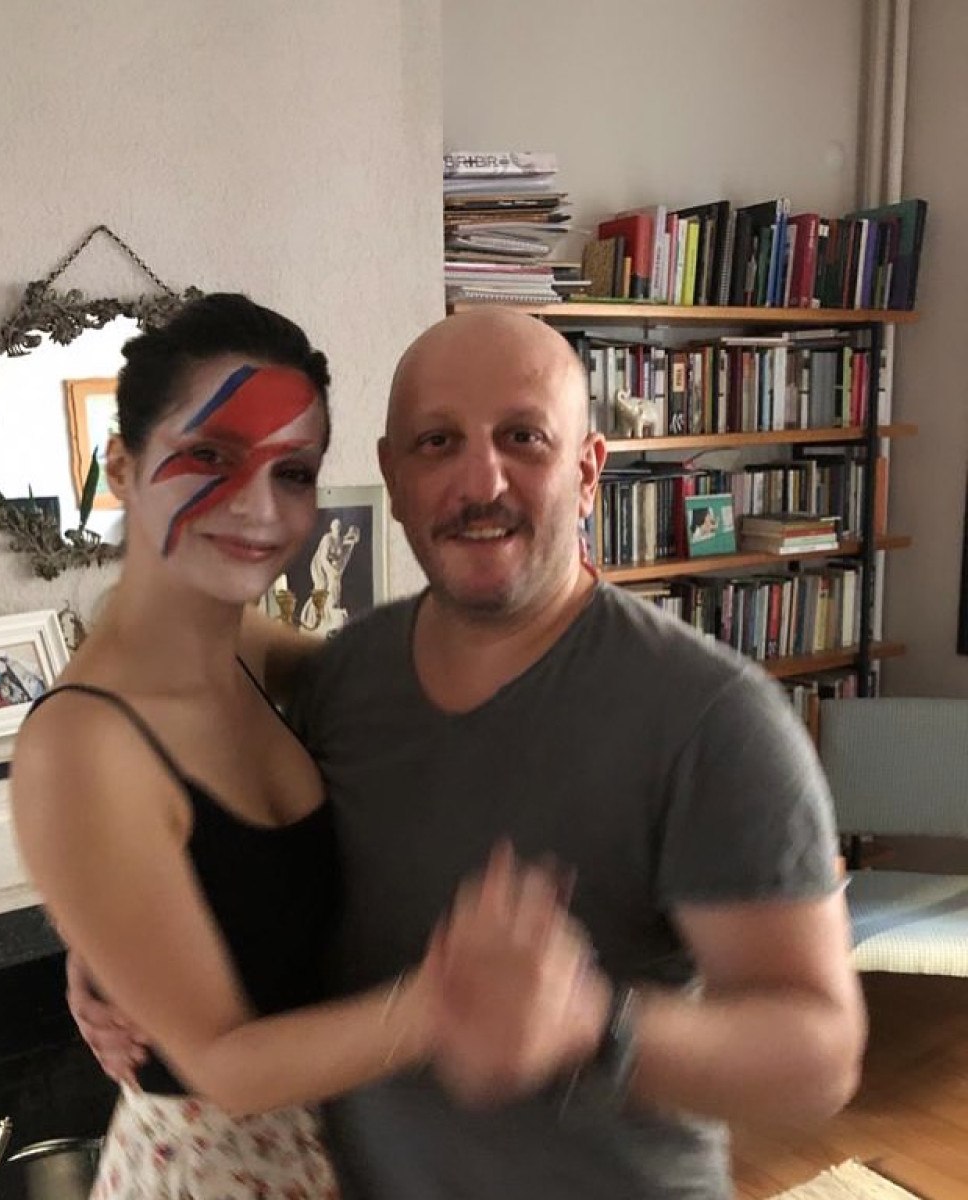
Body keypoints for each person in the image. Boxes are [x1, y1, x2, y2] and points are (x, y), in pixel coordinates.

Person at [71, 307, 866, 1199]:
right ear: (394, 479)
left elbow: (819, 1058)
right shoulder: (341, 679)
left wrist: (596, 1025)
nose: (480, 480)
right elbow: (235, 854)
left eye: (523, 437)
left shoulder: (714, 718)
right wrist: (111, 950)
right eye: (438, 442)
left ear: (587, 472)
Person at [11, 295, 583, 1200]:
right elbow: (224, 1065)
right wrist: (448, 1000)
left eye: (294, 472)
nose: (258, 508)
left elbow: (407, 704)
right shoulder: (80, 741)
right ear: (121, 463)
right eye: (211, 455)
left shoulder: (240, 646)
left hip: (350, 1144)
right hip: (219, 1175)